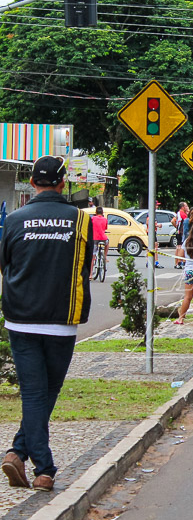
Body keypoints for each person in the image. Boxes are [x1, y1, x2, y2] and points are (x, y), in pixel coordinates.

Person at [0, 156, 92, 492]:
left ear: (34, 182)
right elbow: (85, 266)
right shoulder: (80, 220)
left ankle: (18, 451)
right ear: (62, 183)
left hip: (20, 319)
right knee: (45, 393)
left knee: (34, 394)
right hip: (61, 320)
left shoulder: (14, 219)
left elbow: (4, 263)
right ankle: (44, 467)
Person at [90, 206, 109, 275]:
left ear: (96, 212)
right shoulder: (105, 219)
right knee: (107, 242)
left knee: (93, 256)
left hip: (94, 239)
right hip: (103, 238)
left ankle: (90, 274)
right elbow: (105, 228)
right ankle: (105, 256)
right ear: (102, 213)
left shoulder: (92, 218)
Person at [174, 202, 188, 268]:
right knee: (181, 247)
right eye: (186, 206)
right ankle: (179, 262)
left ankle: (177, 262)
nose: (187, 207)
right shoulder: (182, 214)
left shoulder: (178, 213)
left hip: (178, 231)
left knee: (178, 247)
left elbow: (172, 221)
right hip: (181, 232)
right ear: (182, 207)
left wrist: (176, 227)